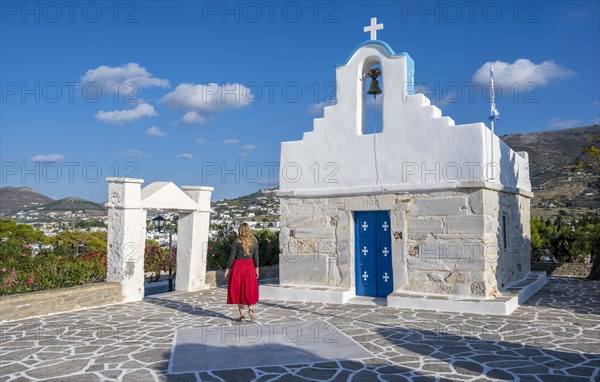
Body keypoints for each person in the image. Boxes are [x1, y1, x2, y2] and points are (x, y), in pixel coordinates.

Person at [224, 223, 259, 321]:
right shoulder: (254, 241)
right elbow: (256, 257)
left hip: (238, 267)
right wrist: (257, 269)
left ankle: (242, 316)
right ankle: (251, 309)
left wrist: (227, 270)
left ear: (240, 230)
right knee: (249, 289)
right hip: (249, 267)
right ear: (249, 230)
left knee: (239, 291)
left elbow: (232, 257)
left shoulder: (236, 241)